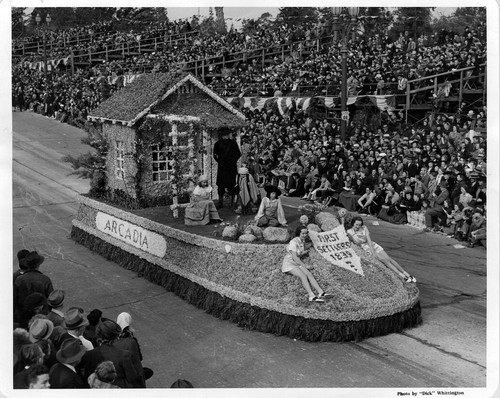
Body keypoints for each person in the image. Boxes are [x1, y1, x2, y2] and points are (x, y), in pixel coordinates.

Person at [345, 216, 416, 283]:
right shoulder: (349, 232)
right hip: (365, 248)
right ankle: (402, 276)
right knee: (385, 260)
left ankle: (407, 274)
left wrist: (372, 251)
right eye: (356, 224)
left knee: (389, 259)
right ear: (353, 223)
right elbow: (355, 243)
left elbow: (369, 240)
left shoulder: (364, 228)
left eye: (359, 225)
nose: (358, 226)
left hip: (372, 245)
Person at [83, 318, 142, 388]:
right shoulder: (124, 355)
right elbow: (132, 378)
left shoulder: (89, 355)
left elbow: (87, 377)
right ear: (116, 336)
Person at [281, 228, 333, 303]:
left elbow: (301, 250)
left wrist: (305, 251)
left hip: (297, 262)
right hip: (290, 263)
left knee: (309, 274)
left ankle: (321, 292)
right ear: (299, 233)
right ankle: (311, 296)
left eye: (306, 233)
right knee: (303, 276)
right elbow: (295, 257)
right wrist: (305, 266)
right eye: (303, 233)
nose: (305, 235)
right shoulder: (293, 242)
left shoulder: (302, 241)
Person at [14, 251, 54, 323]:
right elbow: (52, 299)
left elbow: (14, 299)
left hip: (23, 315)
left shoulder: (18, 279)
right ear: (38, 265)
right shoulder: (45, 279)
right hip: (41, 316)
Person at [213, 127, 241, 208]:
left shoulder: (218, 144)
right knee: (229, 184)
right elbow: (238, 154)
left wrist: (220, 161)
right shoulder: (232, 143)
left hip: (224, 167)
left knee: (224, 184)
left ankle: (222, 202)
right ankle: (230, 203)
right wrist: (233, 161)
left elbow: (215, 156)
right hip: (229, 166)